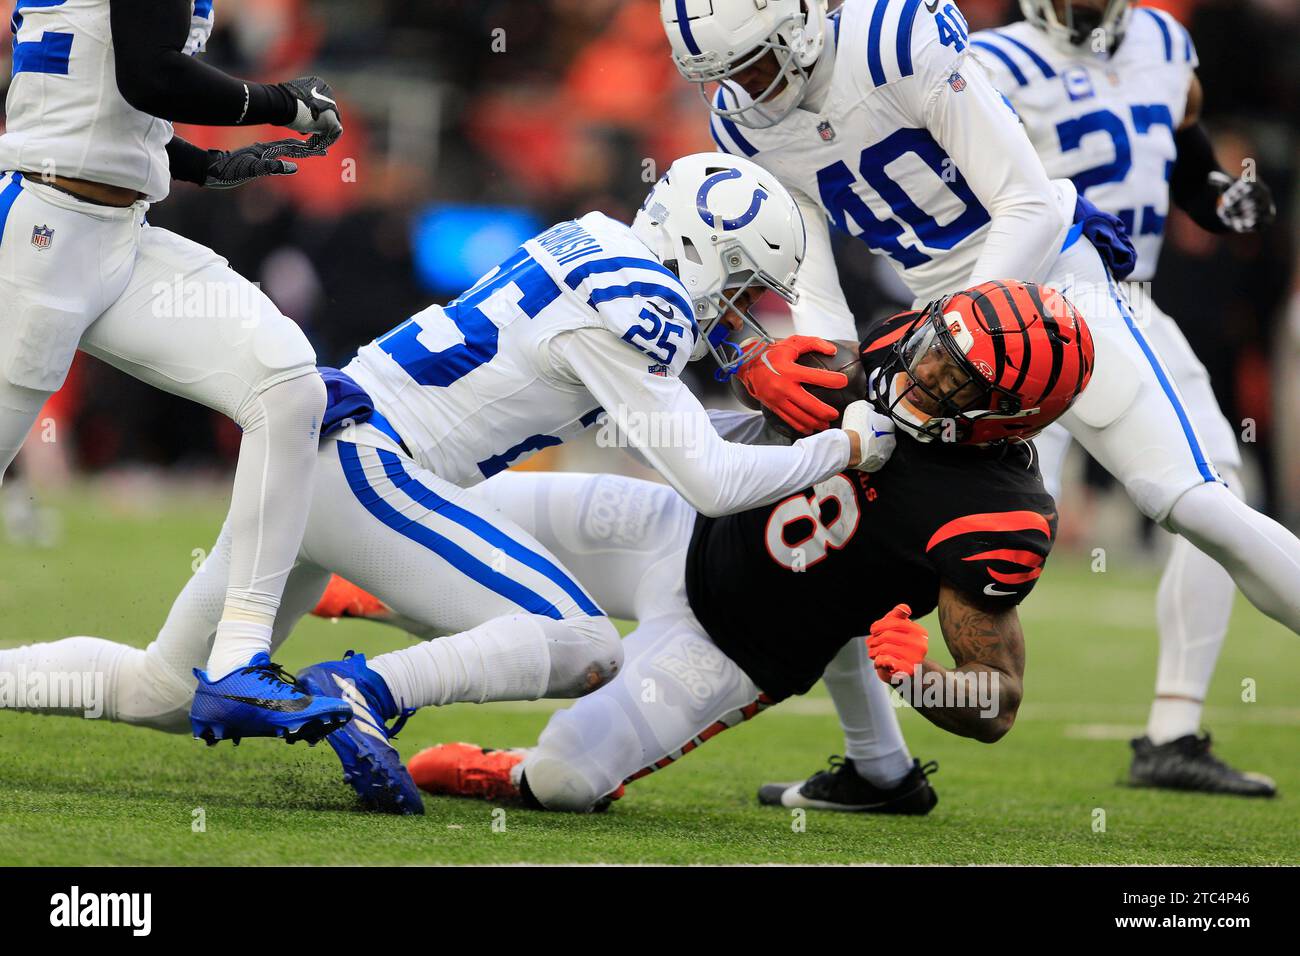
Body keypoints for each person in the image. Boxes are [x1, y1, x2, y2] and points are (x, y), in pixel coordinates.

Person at [0, 153, 885, 815]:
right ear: (697, 248)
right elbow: (715, 481)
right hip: (367, 463)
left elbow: (665, 417)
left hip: (322, 454)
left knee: (164, 688)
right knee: (581, 640)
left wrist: (737, 373)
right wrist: (847, 447)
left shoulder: (598, 246)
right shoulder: (637, 304)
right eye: (732, 280)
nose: (729, 306)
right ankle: (362, 694)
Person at [659, 0, 1298, 805]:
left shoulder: (895, 37)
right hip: (937, 342)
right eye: (723, 76)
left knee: (1188, 500)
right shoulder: (742, 115)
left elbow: (1028, 203)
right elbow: (810, 270)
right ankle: (876, 766)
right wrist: (844, 391)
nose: (743, 90)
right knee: (840, 506)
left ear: (799, 25)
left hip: (1045, 296)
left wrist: (961, 333)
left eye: (751, 64)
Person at [406, 280, 1094, 813]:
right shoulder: (894, 347)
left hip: (735, 642)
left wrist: (923, 680)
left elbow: (999, 704)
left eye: (956, 383)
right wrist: (756, 361)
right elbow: (727, 318)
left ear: (1009, 417)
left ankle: (504, 766)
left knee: (560, 780)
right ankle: (350, 615)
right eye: (937, 347)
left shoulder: (994, 516)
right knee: (436, 510)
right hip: (677, 522)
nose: (925, 374)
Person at [0, 0, 351, 743]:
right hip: (38, 236)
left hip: (116, 234)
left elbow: (100, 102)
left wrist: (201, 164)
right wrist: (279, 102)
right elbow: (149, 75)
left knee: (286, 382)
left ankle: (237, 661)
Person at [967, 0, 1278, 795]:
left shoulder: (1165, 42)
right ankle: (873, 747)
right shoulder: (989, 59)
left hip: (1129, 305)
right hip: (1023, 311)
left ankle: (1173, 730)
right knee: (964, 525)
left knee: (1215, 488)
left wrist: (1218, 196)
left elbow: (1181, 149)